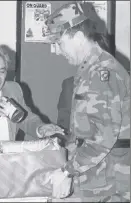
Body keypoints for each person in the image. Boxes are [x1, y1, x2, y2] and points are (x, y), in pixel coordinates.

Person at [44, 1, 130, 202]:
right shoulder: (89, 70)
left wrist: (67, 172)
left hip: (110, 182)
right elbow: (87, 131)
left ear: (80, 38)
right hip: (96, 175)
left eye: (60, 43)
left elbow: (102, 137)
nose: (58, 50)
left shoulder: (103, 72)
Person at [0, 44, 65, 150]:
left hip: (10, 160)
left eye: (2, 71)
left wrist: (40, 129)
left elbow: (25, 118)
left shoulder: (13, 89)